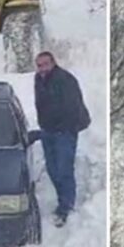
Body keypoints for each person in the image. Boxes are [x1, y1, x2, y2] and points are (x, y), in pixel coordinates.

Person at [30, 51, 90, 227]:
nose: (42, 68)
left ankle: (66, 207)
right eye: (39, 65)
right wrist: (43, 128)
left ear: (53, 63)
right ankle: (62, 200)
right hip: (48, 130)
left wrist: (64, 129)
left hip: (65, 132)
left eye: (45, 64)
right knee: (52, 169)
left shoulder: (65, 80)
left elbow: (73, 107)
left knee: (64, 170)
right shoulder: (38, 80)